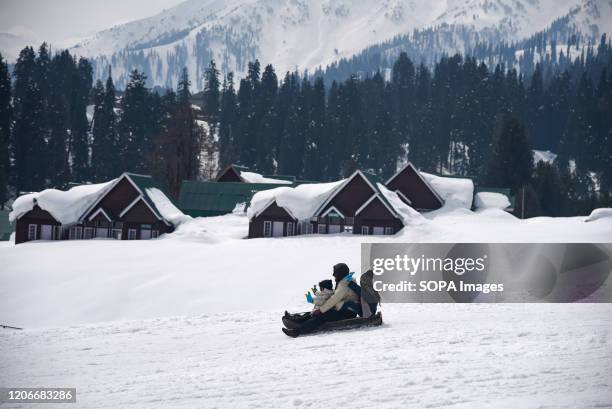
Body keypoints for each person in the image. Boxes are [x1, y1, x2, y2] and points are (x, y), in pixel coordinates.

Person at [283, 263, 360, 337]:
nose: (333, 275)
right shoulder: (345, 281)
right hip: (344, 309)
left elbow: (334, 299)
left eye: (335, 273)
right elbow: (337, 295)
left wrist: (321, 310)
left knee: (322, 317)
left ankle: (298, 331)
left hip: (347, 312)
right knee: (317, 313)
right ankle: (297, 320)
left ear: (341, 273)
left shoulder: (344, 284)